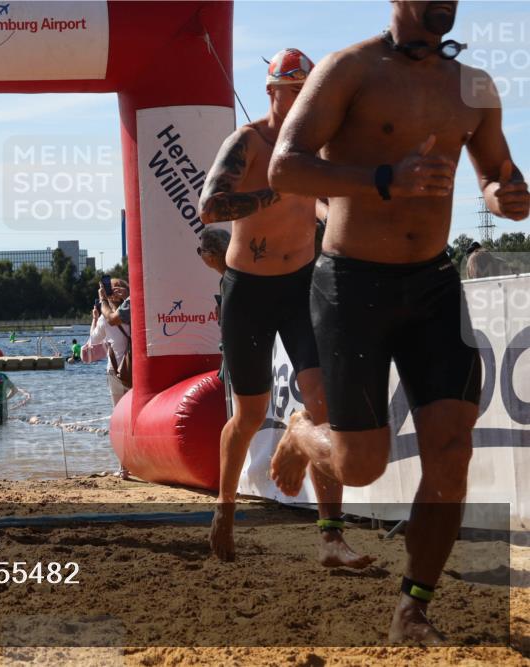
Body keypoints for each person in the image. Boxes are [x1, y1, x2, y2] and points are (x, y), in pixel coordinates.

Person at [267, 0, 528, 643]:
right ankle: (303, 431)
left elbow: (496, 171)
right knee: (360, 468)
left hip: (434, 284)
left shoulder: (473, 85)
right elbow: (286, 165)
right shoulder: (349, 68)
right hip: (353, 283)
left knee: (452, 452)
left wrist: (507, 193)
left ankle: (412, 607)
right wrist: (385, 177)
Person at [197, 48, 371, 571]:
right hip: (248, 290)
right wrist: (272, 193)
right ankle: (224, 511)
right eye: (290, 91)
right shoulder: (246, 142)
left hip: (301, 286)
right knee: (247, 415)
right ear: (271, 92)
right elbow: (209, 206)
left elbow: (320, 200)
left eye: (306, 92)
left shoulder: (314, 146)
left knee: (322, 405)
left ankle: (331, 538)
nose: (299, 102)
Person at [87, 277, 131, 477]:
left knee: (120, 419)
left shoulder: (106, 318)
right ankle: (140, 461)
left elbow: (93, 340)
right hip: (136, 370)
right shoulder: (135, 312)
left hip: (116, 372)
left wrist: (95, 317)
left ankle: (124, 467)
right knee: (134, 418)